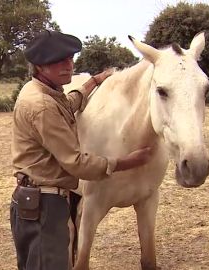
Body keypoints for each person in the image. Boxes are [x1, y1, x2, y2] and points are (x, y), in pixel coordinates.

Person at [10, 30, 152, 270]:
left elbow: (68, 103)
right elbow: (76, 163)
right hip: (45, 205)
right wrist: (127, 162)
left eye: (70, 58)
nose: (68, 65)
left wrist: (93, 82)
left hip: (32, 201)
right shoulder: (42, 106)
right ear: (39, 66)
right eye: (58, 61)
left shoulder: (39, 91)